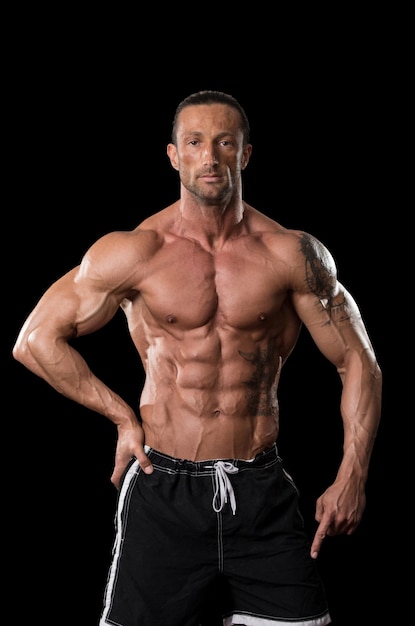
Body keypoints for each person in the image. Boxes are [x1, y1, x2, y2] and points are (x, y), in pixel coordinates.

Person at [13, 90, 382, 626]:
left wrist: (353, 474)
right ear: (174, 155)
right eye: (195, 142)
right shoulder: (137, 252)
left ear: (245, 154)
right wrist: (121, 416)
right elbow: (36, 340)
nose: (210, 157)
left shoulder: (291, 254)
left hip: (261, 495)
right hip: (162, 490)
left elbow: (359, 362)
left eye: (224, 142)